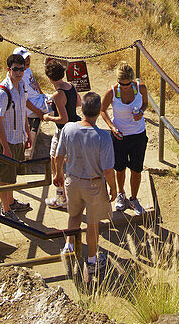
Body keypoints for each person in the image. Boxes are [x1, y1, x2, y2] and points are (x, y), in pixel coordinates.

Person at [54, 91, 116, 272]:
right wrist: (114, 188)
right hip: (94, 184)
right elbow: (107, 170)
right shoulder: (103, 137)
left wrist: (58, 174)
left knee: (74, 216)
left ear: (82, 109)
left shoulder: (69, 128)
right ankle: (91, 260)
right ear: (98, 112)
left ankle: (69, 247)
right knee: (92, 223)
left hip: (72, 180)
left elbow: (59, 155)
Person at [0, 52, 45, 220]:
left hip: (18, 138)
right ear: (8, 69)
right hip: (6, 141)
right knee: (3, 176)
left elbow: (22, 112)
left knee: (11, 175)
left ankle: (11, 202)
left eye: (21, 69)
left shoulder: (21, 86)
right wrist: (5, 147)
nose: (19, 72)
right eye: (15, 69)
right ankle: (6, 210)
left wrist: (28, 134)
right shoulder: (2, 92)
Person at [101, 62, 148, 216]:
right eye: (121, 84)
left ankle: (134, 199)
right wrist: (112, 128)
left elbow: (146, 103)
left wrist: (141, 111)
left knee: (136, 169)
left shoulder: (141, 88)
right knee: (119, 169)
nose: (125, 87)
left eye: (127, 84)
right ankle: (121, 194)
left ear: (132, 81)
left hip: (138, 135)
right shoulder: (112, 92)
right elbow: (102, 110)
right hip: (119, 136)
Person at [42, 58, 81, 210]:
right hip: (75, 129)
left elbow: (63, 119)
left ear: (50, 78)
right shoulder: (70, 86)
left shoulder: (57, 95)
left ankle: (61, 198)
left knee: (56, 166)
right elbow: (78, 103)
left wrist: (47, 117)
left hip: (63, 132)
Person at [14, 47, 50, 157]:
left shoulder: (26, 69)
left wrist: (42, 94)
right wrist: (39, 113)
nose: (28, 60)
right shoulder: (19, 77)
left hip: (39, 100)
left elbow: (34, 82)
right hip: (33, 107)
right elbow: (25, 101)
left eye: (28, 57)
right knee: (62, 103)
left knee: (63, 99)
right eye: (25, 59)